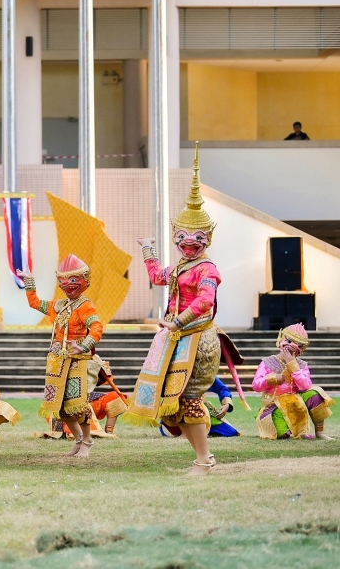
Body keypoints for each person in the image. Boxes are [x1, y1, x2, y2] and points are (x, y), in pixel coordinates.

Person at [130, 144, 233, 476]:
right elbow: (158, 277)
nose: (189, 244)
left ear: (207, 240)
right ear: (176, 237)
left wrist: (178, 322)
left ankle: (204, 460)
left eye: (196, 239)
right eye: (183, 239)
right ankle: (204, 458)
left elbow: (205, 301)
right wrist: (148, 249)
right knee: (172, 405)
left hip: (198, 340)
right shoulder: (179, 267)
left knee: (189, 399)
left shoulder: (207, 269)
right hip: (176, 338)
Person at [20, 255, 104, 458]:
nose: (67, 285)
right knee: (60, 407)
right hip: (58, 362)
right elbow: (35, 303)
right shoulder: (59, 305)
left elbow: (96, 327)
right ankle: (78, 440)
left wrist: (83, 346)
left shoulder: (85, 306)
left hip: (78, 362)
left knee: (77, 405)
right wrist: (29, 281)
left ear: (84, 281)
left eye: (73, 280)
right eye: (63, 281)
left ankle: (87, 441)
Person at [252, 323, 334, 440]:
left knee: (315, 393)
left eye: (299, 345)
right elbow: (256, 386)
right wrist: (272, 379)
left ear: (302, 349)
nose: (292, 347)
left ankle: (319, 432)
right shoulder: (267, 362)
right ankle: (293, 430)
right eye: (289, 341)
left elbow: (306, 386)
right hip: (275, 406)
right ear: (281, 339)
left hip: (297, 403)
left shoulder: (302, 365)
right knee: (282, 434)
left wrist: (293, 365)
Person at [41, 355, 128, 440]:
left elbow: (101, 379)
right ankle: (76, 434)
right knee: (76, 404)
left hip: (87, 396)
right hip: (65, 402)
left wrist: (98, 365)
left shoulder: (89, 355)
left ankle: (109, 431)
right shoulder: (59, 356)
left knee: (115, 397)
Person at [160, 377, 239, 438]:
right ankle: (190, 432)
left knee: (230, 432)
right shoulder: (175, 367)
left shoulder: (202, 370)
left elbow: (222, 388)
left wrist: (227, 404)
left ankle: (199, 432)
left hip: (198, 410)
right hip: (173, 416)